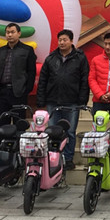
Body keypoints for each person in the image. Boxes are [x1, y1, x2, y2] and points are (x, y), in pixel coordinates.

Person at [36, 29, 90, 170]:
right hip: (53, 101)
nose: (62, 42)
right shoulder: (51, 58)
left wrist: (82, 100)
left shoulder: (80, 58)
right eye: (60, 40)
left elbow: (84, 80)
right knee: (52, 131)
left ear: (71, 41)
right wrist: (41, 100)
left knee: (70, 131)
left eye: (65, 40)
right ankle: (53, 158)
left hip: (72, 101)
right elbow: (43, 80)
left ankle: (68, 159)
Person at [0, 23, 37, 123]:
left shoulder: (27, 50)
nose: (10, 35)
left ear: (19, 33)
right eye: (7, 32)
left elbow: (31, 72)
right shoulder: (0, 51)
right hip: (0, 93)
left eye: (12, 32)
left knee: (19, 123)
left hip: (18, 93)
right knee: (2, 124)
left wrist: (26, 90)